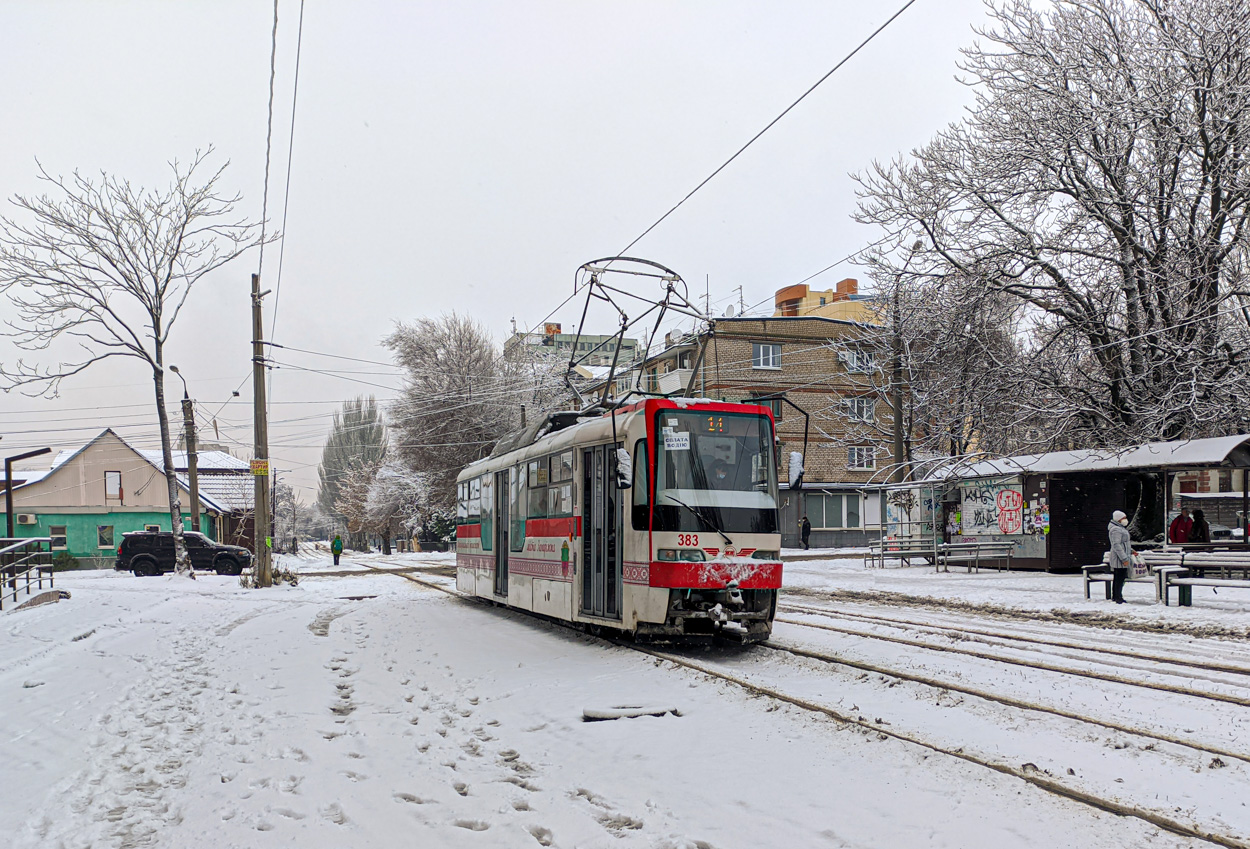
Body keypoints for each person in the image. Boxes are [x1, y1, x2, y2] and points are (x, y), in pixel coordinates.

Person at [1108, 510, 1132, 604]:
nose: (1125, 520)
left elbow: (1124, 543)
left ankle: (1116, 595)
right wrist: (1124, 558)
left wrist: (1131, 550)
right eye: (1123, 518)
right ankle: (1118, 596)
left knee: (1118, 577)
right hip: (1119, 558)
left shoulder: (1119, 528)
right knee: (1119, 577)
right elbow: (1117, 545)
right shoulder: (1116, 529)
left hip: (1122, 556)